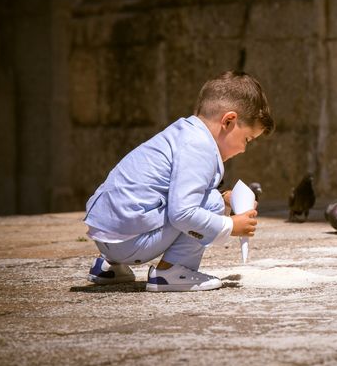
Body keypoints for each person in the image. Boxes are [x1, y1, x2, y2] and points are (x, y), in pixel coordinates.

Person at [84, 70, 274, 291]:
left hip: (109, 236)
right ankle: (170, 272)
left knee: (210, 198)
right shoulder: (201, 146)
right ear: (229, 121)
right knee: (210, 202)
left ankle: (109, 267)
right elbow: (182, 212)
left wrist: (227, 199)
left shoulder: (182, 133)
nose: (243, 149)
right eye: (247, 139)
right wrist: (230, 224)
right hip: (129, 243)